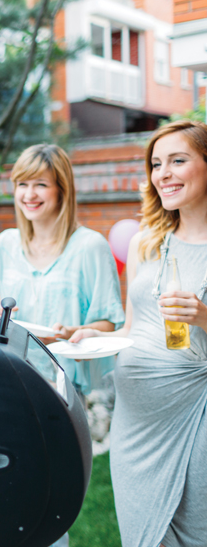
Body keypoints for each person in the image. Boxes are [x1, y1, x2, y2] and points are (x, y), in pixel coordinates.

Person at [72, 120, 207, 547]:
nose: (163, 173)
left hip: (195, 419)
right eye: (156, 164)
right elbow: (133, 327)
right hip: (135, 426)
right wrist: (92, 340)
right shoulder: (146, 242)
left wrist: (204, 316)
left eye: (178, 161)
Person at [0, 144, 124, 395]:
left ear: (62, 190)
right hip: (9, 378)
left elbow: (110, 325)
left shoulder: (90, 247)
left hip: (65, 387)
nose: (29, 194)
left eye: (41, 185)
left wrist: (70, 334)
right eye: (22, 184)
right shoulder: (4, 245)